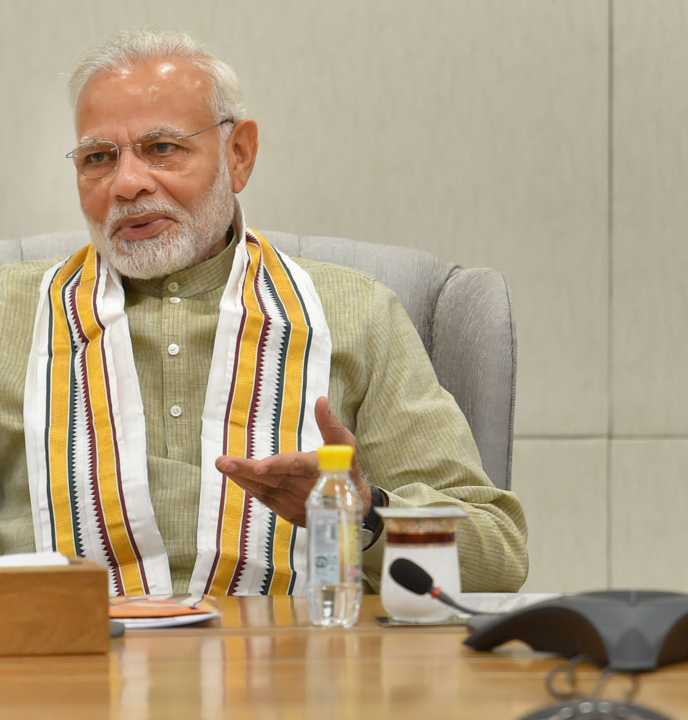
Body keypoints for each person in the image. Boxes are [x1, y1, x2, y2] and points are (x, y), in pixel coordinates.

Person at [0, 31, 528, 596]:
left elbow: (496, 556)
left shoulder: (357, 313)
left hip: (293, 647)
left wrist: (363, 513)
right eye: (99, 158)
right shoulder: (10, 314)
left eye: (162, 148)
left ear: (239, 155)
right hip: (60, 645)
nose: (127, 184)